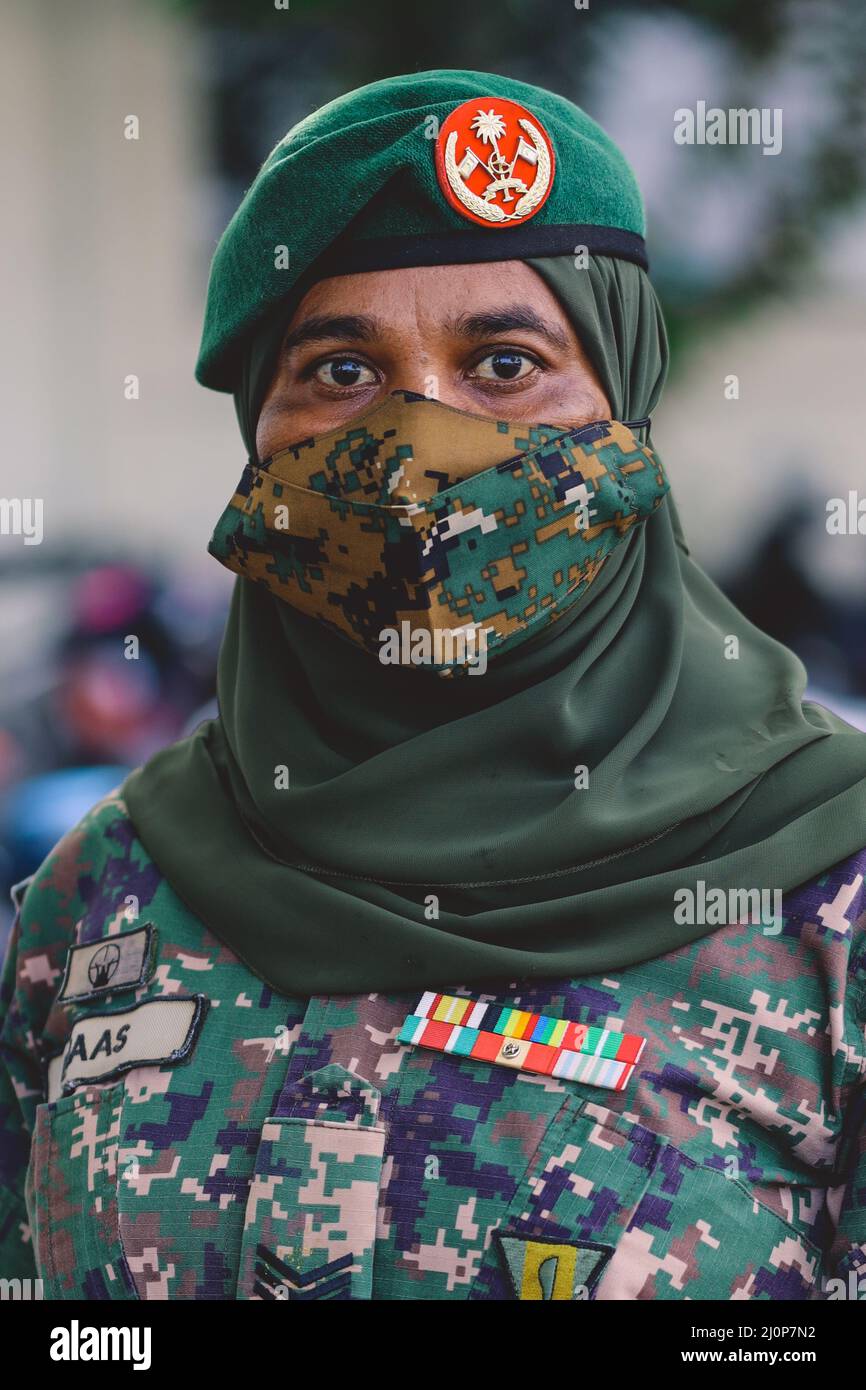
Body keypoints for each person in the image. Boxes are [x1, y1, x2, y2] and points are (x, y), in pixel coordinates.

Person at [2, 69, 865, 1303]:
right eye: (340, 372)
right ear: (261, 421)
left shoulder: (829, 888)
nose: (420, 448)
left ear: (621, 397)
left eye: (505, 363)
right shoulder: (105, 890)